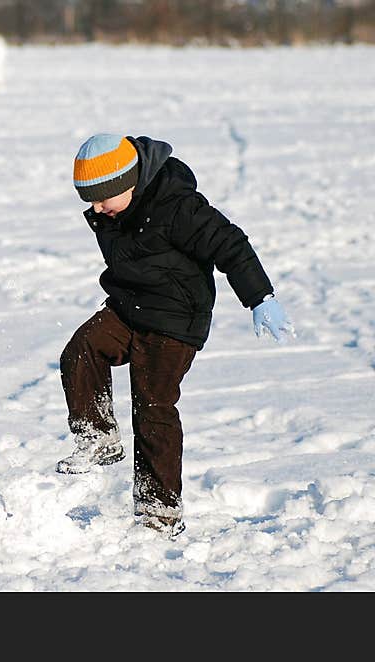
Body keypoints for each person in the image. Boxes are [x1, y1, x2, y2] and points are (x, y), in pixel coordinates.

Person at [58, 133, 293, 538]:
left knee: (152, 405)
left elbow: (230, 245)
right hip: (130, 306)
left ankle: (159, 509)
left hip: (176, 319)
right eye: (89, 200)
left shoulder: (178, 207)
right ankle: (97, 437)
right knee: (81, 350)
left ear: (129, 182)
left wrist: (260, 297)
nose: (96, 209)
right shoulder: (113, 210)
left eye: (103, 198)